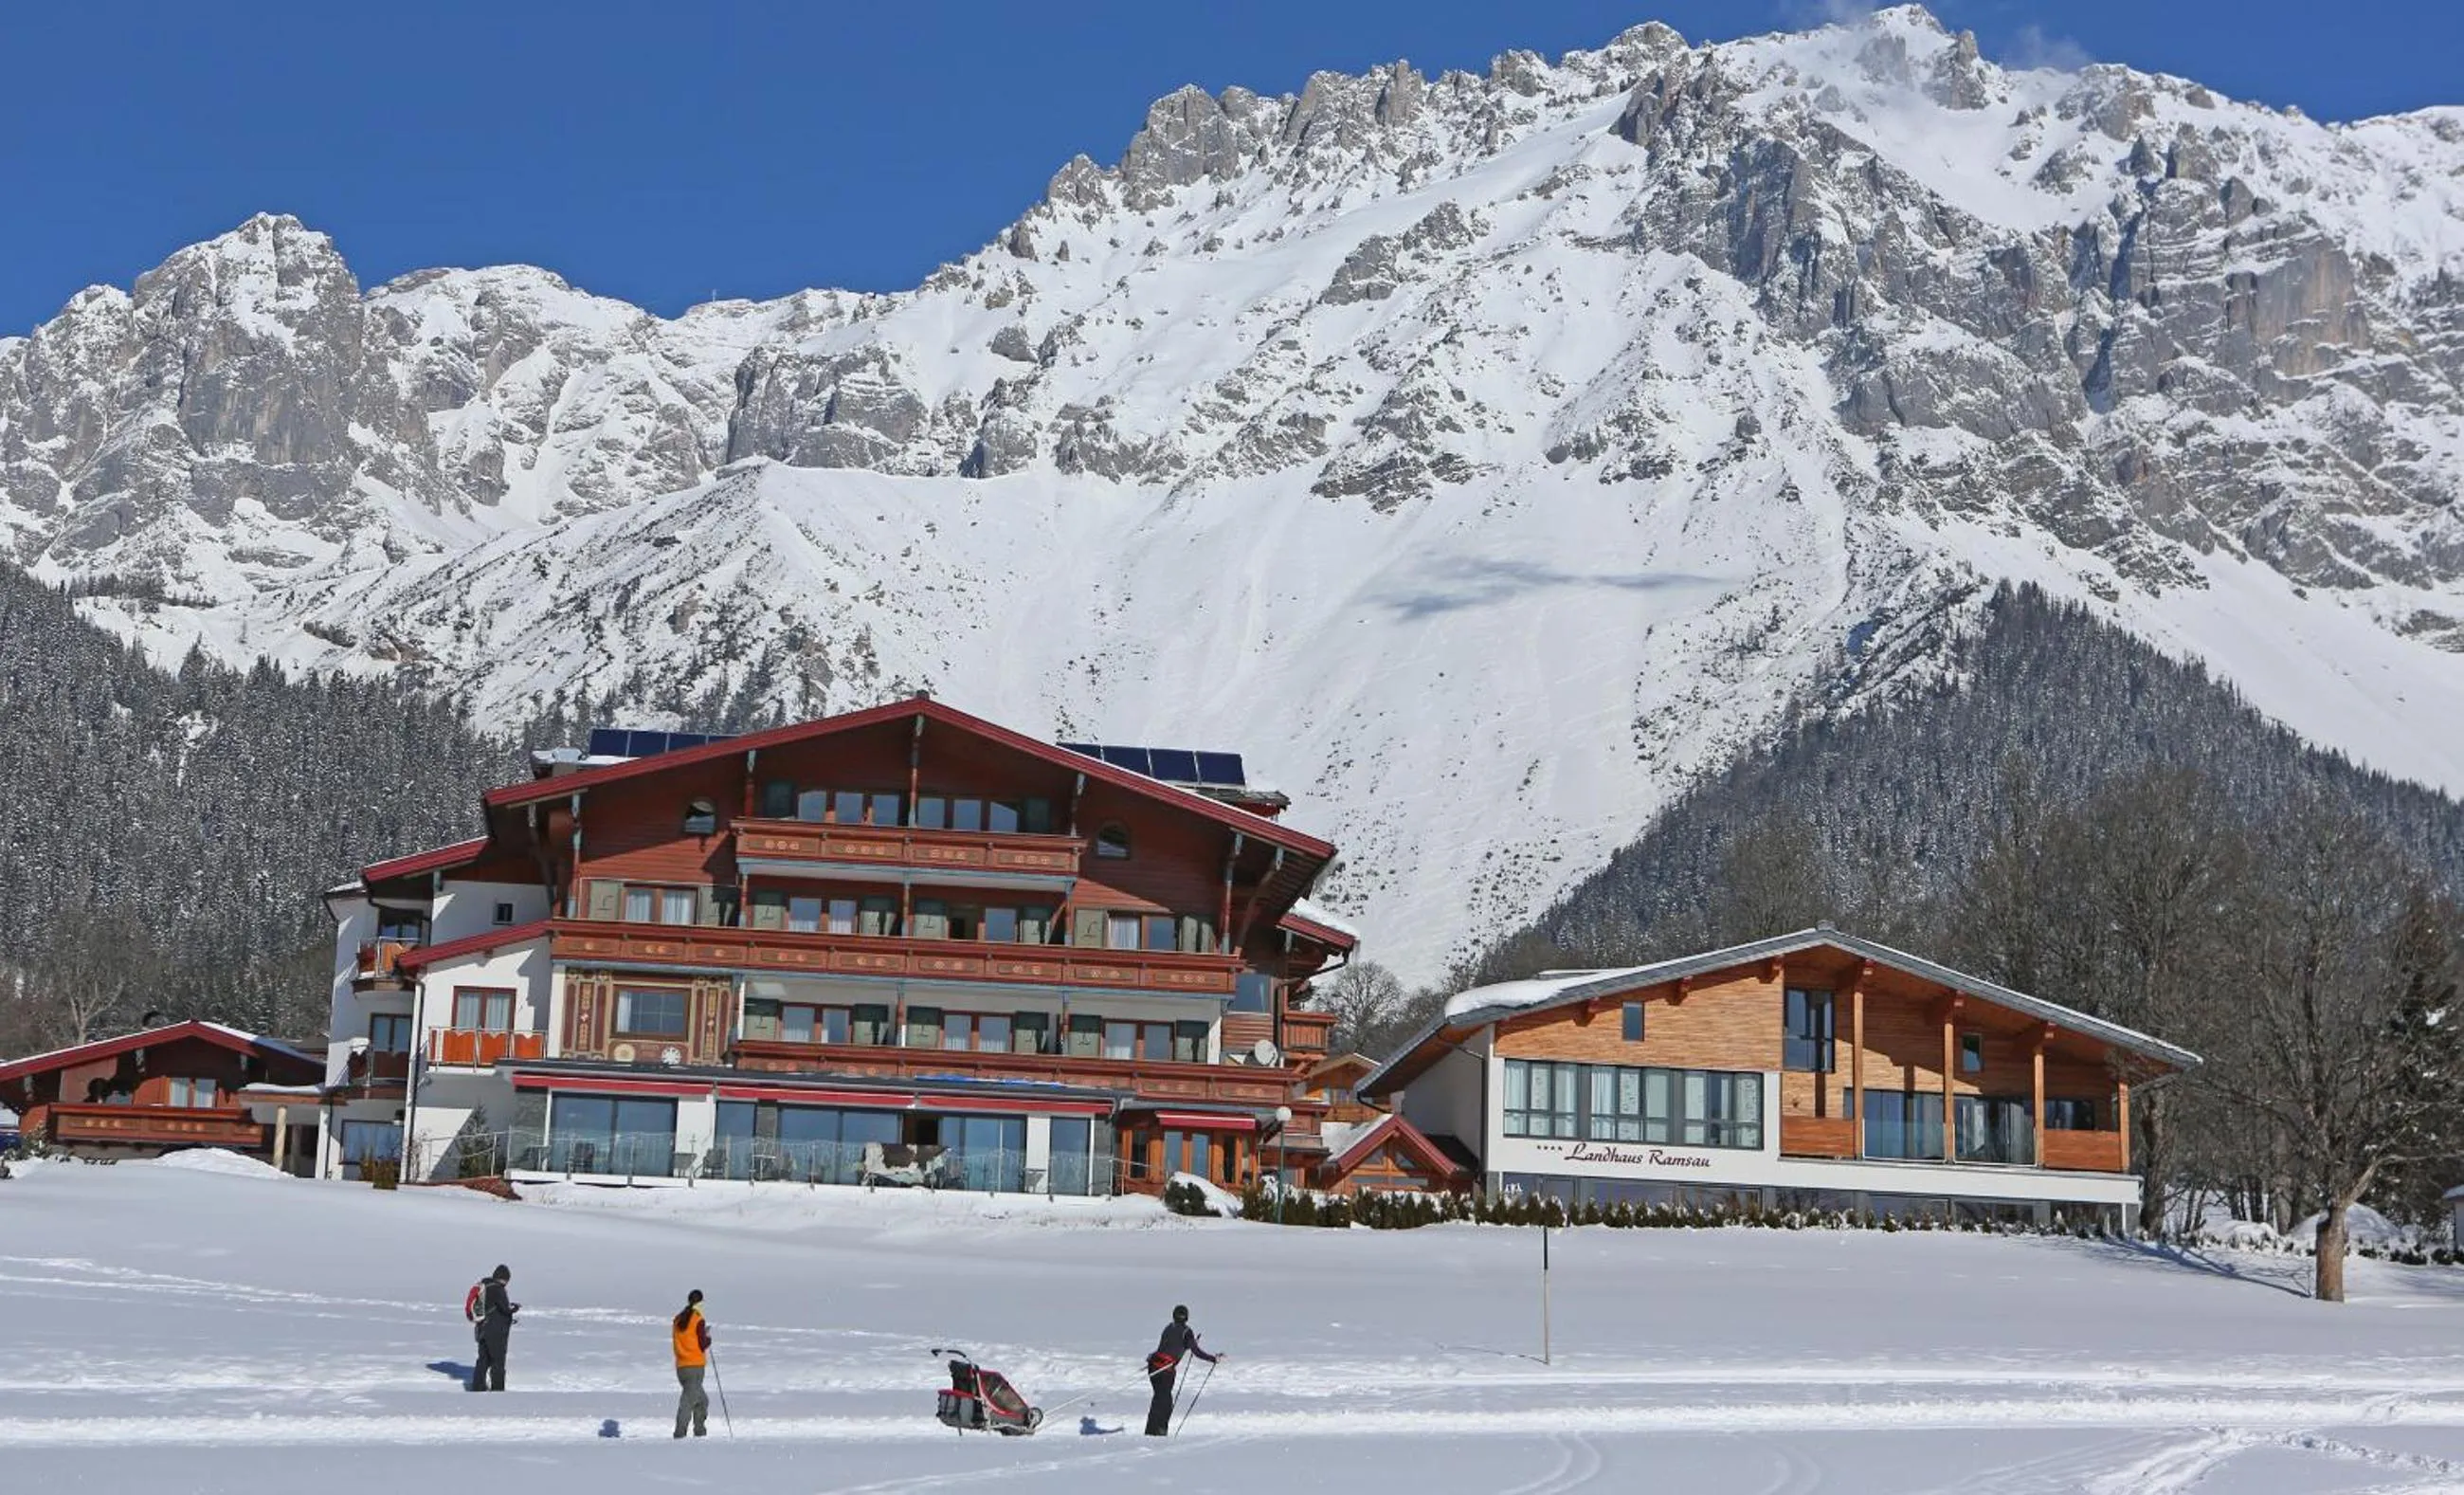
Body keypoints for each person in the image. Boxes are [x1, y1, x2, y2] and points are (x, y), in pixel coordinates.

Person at [1144, 1304, 1220, 1436]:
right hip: (1165, 1370)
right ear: (1187, 1317)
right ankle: (1158, 1432)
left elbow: (1170, 1345)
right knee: (1165, 1402)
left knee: (1159, 1399)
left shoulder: (1168, 1328)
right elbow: (1196, 1351)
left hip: (1153, 1368)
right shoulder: (1187, 1332)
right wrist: (1212, 1359)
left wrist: (1190, 1344)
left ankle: (1152, 1431)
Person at [469, 1265, 519, 1392]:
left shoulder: (485, 1286)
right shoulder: (498, 1289)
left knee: (483, 1359)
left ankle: (477, 1388)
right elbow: (504, 1309)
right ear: (504, 1278)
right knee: (498, 1362)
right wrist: (514, 1309)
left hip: (482, 1329)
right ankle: (498, 1391)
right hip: (496, 1332)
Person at [672, 1288, 712, 1439]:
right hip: (695, 1365)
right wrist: (707, 1337)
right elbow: (702, 1344)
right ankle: (679, 1434)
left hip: (682, 1366)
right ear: (700, 1303)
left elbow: (685, 1338)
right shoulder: (697, 1319)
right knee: (688, 1401)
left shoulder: (678, 1319)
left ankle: (700, 1432)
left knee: (702, 1400)